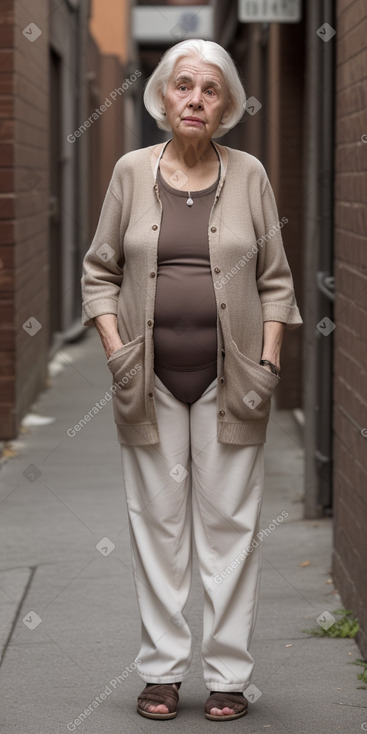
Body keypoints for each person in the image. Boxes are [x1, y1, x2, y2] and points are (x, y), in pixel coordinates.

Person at [81, 38, 302, 722]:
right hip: (145, 379)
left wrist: (266, 363)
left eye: (210, 89)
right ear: (162, 97)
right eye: (184, 86)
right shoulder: (128, 172)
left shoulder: (249, 175)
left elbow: (275, 281)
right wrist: (118, 351)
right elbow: (99, 272)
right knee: (156, 527)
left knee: (231, 527)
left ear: (227, 103)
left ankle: (230, 675)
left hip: (231, 381)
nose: (196, 99)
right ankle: (161, 672)